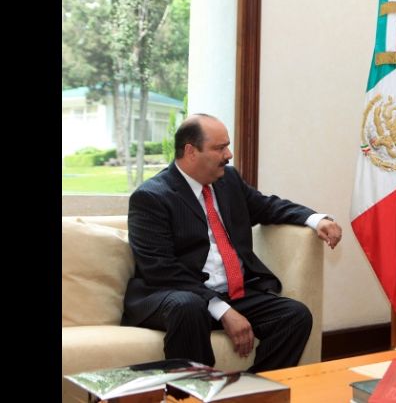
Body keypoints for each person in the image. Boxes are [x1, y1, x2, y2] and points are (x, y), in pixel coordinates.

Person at [121, 113, 342, 372]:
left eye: (227, 145)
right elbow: (161, 270)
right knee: (189, 306)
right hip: (172, 295)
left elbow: (266, 206)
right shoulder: (151, 197)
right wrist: (222, 310)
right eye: (219, 148)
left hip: (232, 291)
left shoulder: (228, 180)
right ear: (191, 152)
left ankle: (255, 393)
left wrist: (316, 220)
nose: (229, 154)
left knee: (295, 315)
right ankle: (193, 394)